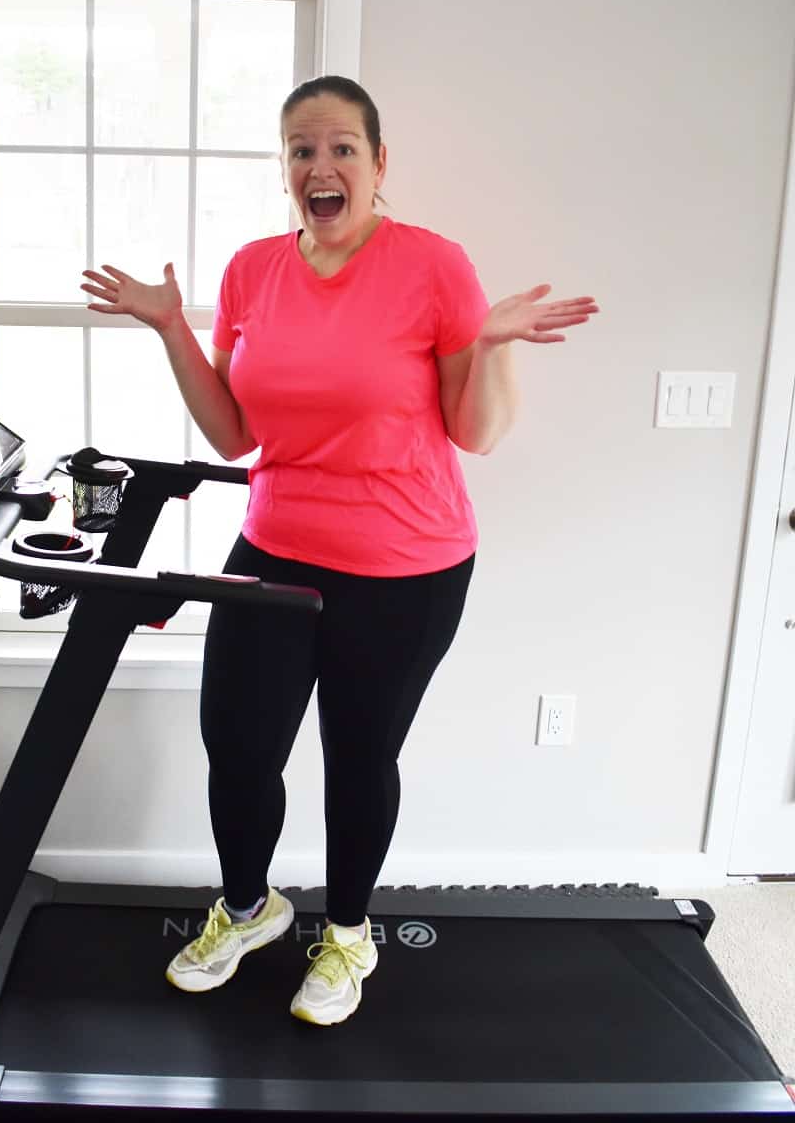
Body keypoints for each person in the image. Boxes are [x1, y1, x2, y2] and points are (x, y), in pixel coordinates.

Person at [82, 75, 598, 1027]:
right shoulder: (251, 271)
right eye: (301, 151)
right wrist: (168, 328)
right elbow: (233, 434)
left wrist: (490, 347)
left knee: (360, 759)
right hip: (275, 548)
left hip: (407, 567)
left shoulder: (434, 266)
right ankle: (248, 910)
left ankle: (349, 933)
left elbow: (476, 434)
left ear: (377, 163)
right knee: (237, 751)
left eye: (341, 149)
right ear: (285, 169)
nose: (321, 167)